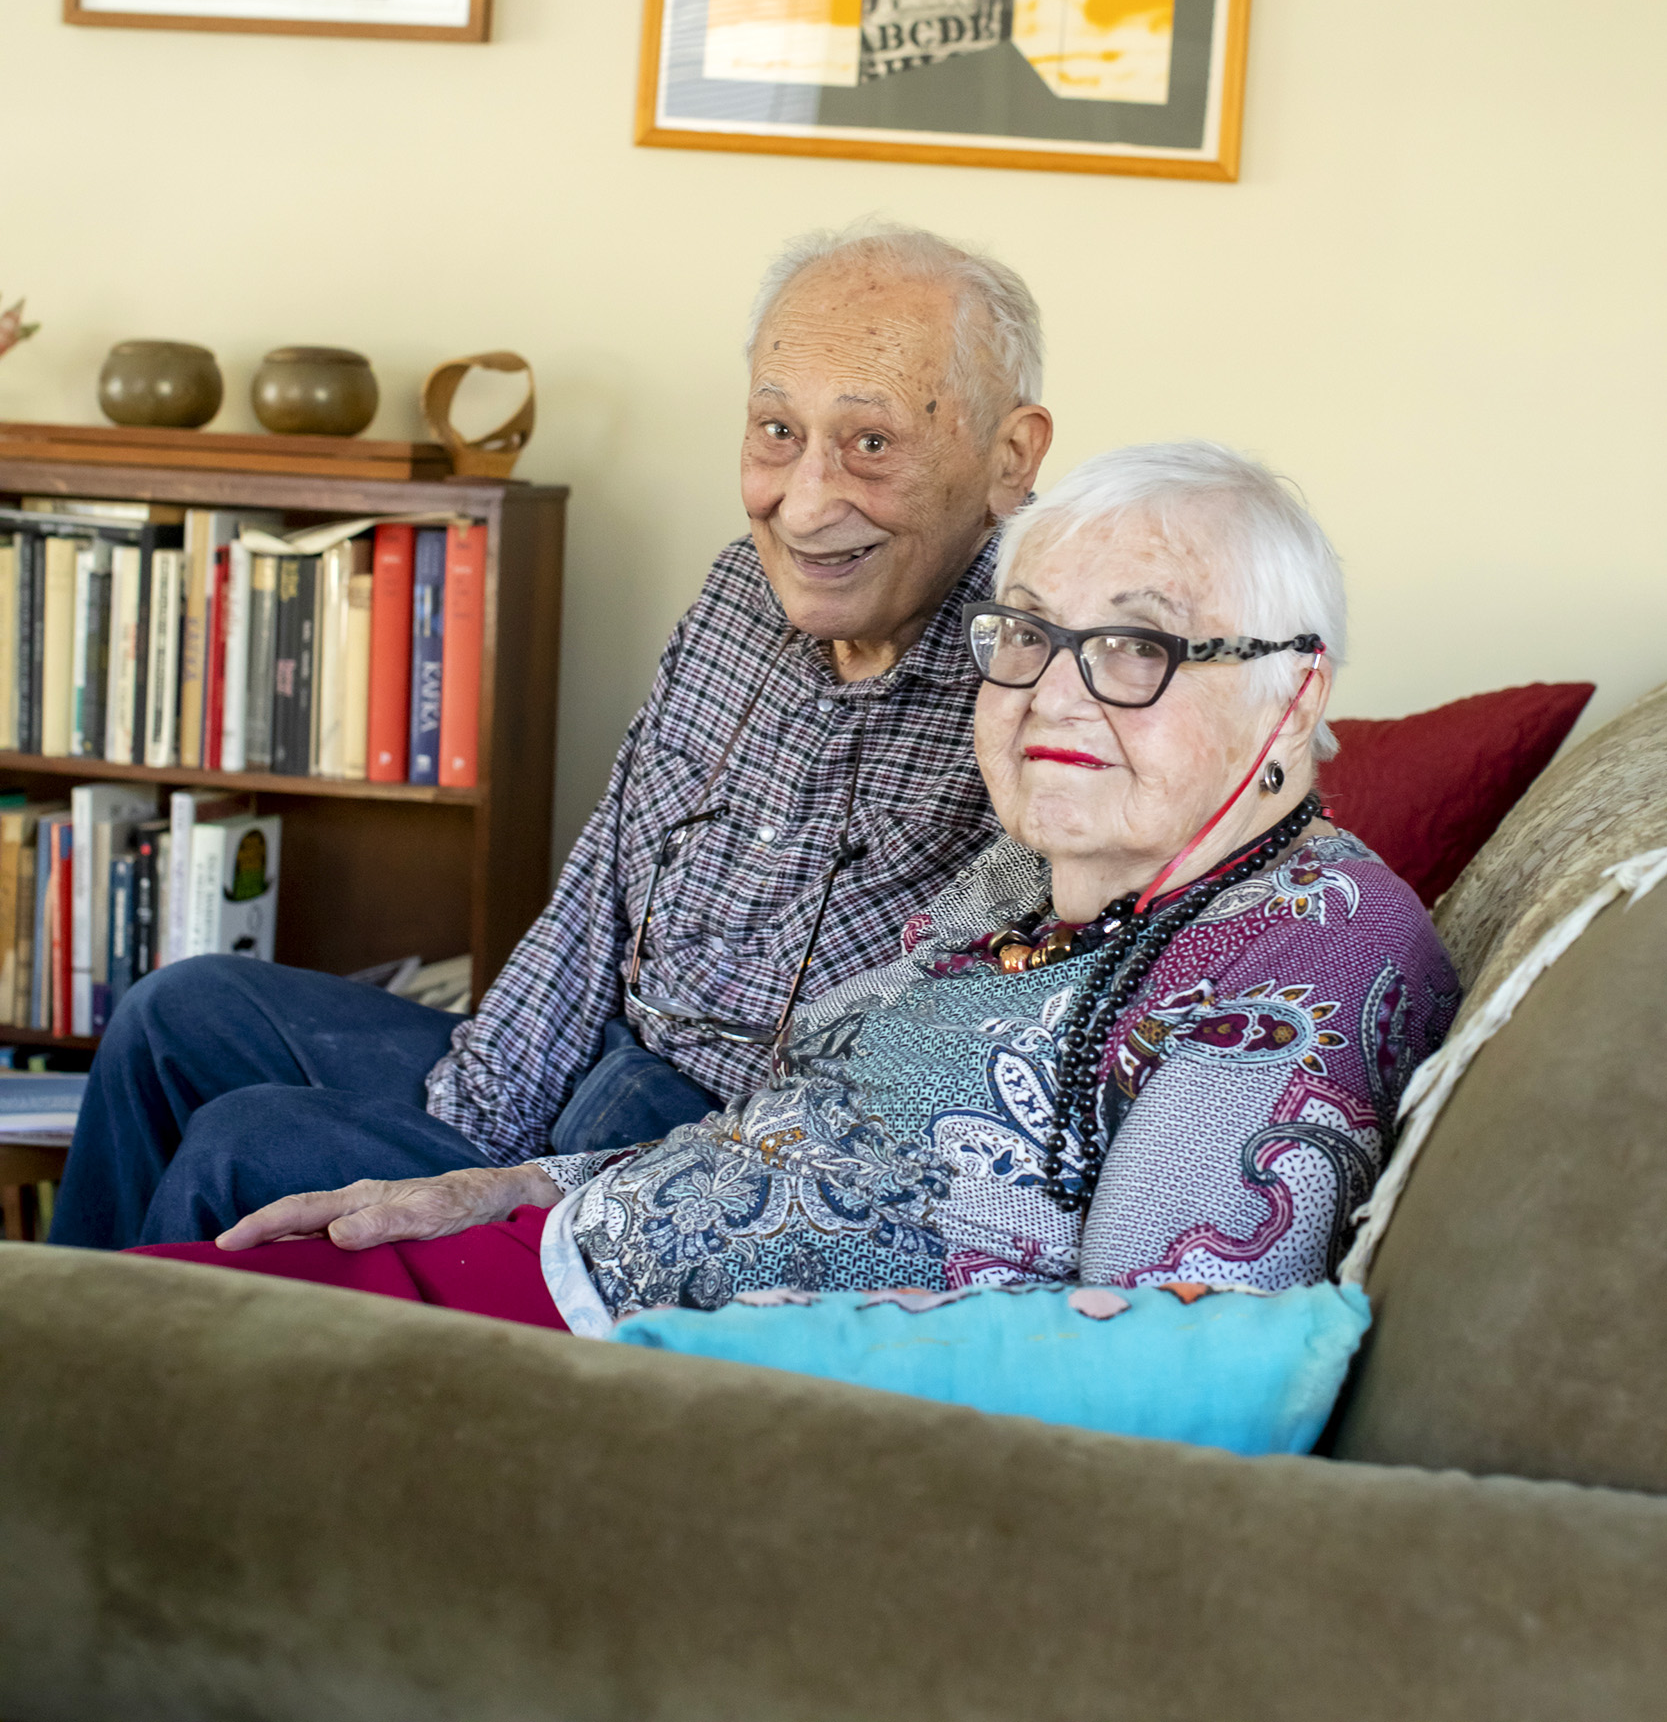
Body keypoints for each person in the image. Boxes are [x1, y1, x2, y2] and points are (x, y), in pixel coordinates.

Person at [140, 442, 1460, 1328]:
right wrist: (516, 1189)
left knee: (149, 1300)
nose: (1051, 692)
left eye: (1134, 644)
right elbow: (789, 1135)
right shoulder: (1021, 880)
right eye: (1026, 635)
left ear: (1293, 698)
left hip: (596, 1384)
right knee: (123, 1296)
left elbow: (1145, 1363)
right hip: (549, 1264)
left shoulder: (1299, 961)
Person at [52, 224, 1053, 1251]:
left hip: (700, 1156)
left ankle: (127, 1392)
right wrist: (479, 1114)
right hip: (591, 1062)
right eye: (774, 431)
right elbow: (600, 882)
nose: (801, 505)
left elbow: (913, 1090)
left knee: (247, 1145)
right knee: (173, 1013)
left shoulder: (1042, 681)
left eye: (870, 443)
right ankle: (49, 1353)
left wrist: (531, 1176)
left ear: (1008, 457)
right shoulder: (737, 593)